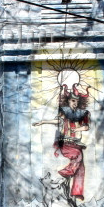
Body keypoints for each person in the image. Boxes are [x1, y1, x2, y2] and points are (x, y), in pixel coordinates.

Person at [33, 69, 90, 199]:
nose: (74, 103)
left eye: (76, 101)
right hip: (66, 144)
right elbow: (56, 121)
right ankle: (65, 172)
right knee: (78, 156)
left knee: (81, 168)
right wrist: (42, 122)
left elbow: (86, 127)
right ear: (68, 102)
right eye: (72, 101)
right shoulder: (64, 114)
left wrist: (77, 130)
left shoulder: (82, 114)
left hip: (77, 144)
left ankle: (77, 192)